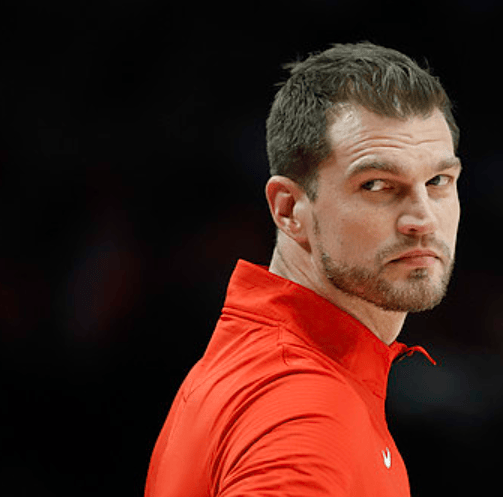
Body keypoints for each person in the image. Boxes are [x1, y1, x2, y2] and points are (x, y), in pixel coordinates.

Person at [145, 42, 462, 497]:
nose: (423, 219)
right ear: (289, 209)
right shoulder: (305, 408)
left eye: (438, 181)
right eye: (376, 184)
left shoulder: (271, 366)